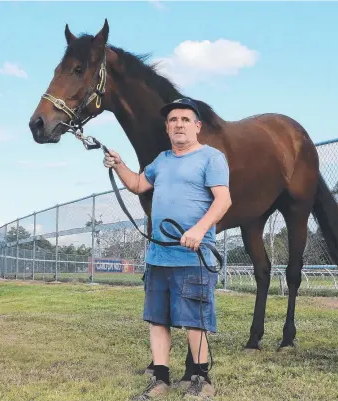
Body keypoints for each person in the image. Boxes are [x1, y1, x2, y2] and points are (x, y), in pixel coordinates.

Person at [103, 98, 231, 400]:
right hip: (159, 256)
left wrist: (199, 230)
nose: (179, 124)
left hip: (193, 255)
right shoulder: (161, 160)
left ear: (197, 126)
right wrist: (118, 163)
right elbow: (137, 184)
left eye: (185, 119)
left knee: (192, 319)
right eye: (173, 120)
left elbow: (223, 200)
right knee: (157, 318)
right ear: (167, 127)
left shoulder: (211, 158)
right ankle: (160, 379)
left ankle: (201, 379)